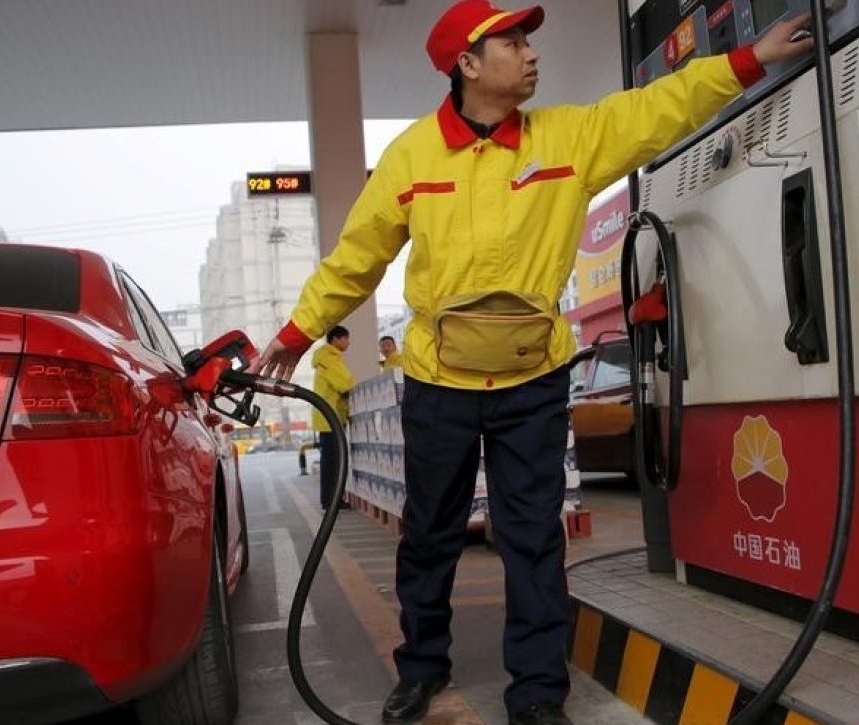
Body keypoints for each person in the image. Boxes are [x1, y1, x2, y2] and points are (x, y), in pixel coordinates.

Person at [250, 2, 811, 722]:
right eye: (512, 43)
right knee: (429, 535)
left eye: (528, 42)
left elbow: (659, 108)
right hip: (439, 382)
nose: (531, 53)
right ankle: (420, 668)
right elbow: (355, 258)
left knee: (533, 537)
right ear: (467, 64)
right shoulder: (411, 157)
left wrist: (748, 58)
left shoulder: (569, 138)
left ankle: (539, 692)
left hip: (532, 380)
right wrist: (297, 331)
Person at [312, 325, 355, 511]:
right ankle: (332, 501)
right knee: (334, 461)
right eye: (345, 338)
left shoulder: (327, 358)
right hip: (330, 417)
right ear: (335, 339)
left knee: (331, 460)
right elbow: (345, 383)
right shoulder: (329, 358)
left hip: (327, 417)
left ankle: (330, 500)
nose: (348, 342)